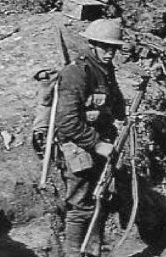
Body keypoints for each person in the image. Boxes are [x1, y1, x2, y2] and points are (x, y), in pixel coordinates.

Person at [54, 19, 127, 256]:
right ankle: (74, 253)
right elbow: (67, 122)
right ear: (93, 44)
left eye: (114, 48)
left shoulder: (105, 70)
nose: (110, 52)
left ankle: (93, 251)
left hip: (101, 144)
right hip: (78, 147)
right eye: (105, 47)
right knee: (80, 206)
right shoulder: (77, 72)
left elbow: (114, 104)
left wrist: (125, 115)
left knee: (100, 200)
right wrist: (96, 144)